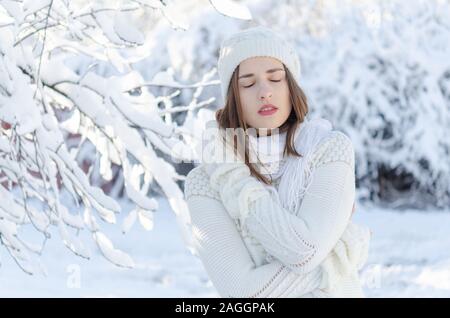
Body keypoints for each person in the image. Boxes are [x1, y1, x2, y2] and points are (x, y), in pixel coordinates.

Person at [184, 26, 371, 297]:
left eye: (275, 78)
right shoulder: (207, 182)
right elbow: (244, 293)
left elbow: (302, 253)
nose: (264, 92)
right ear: (233, 98)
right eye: (247, 83)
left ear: (291, 86)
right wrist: (336, 258)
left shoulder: (329, 150)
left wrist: (313, 259)